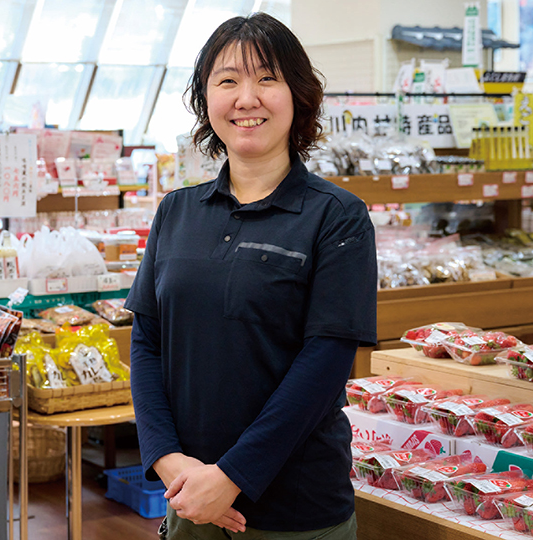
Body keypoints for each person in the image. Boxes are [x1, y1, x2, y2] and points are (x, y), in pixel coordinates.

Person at [124, 12, 377, 540]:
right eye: (228, 80)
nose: (247, 98)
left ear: (298, 94)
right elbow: (147, 342)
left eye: (267, 78)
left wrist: (233, 476)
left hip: (297, 508)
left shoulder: (337, 216)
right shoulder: (176, 211)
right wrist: (168, 460)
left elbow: (326, 363)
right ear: (205, 97)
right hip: (189, 498)